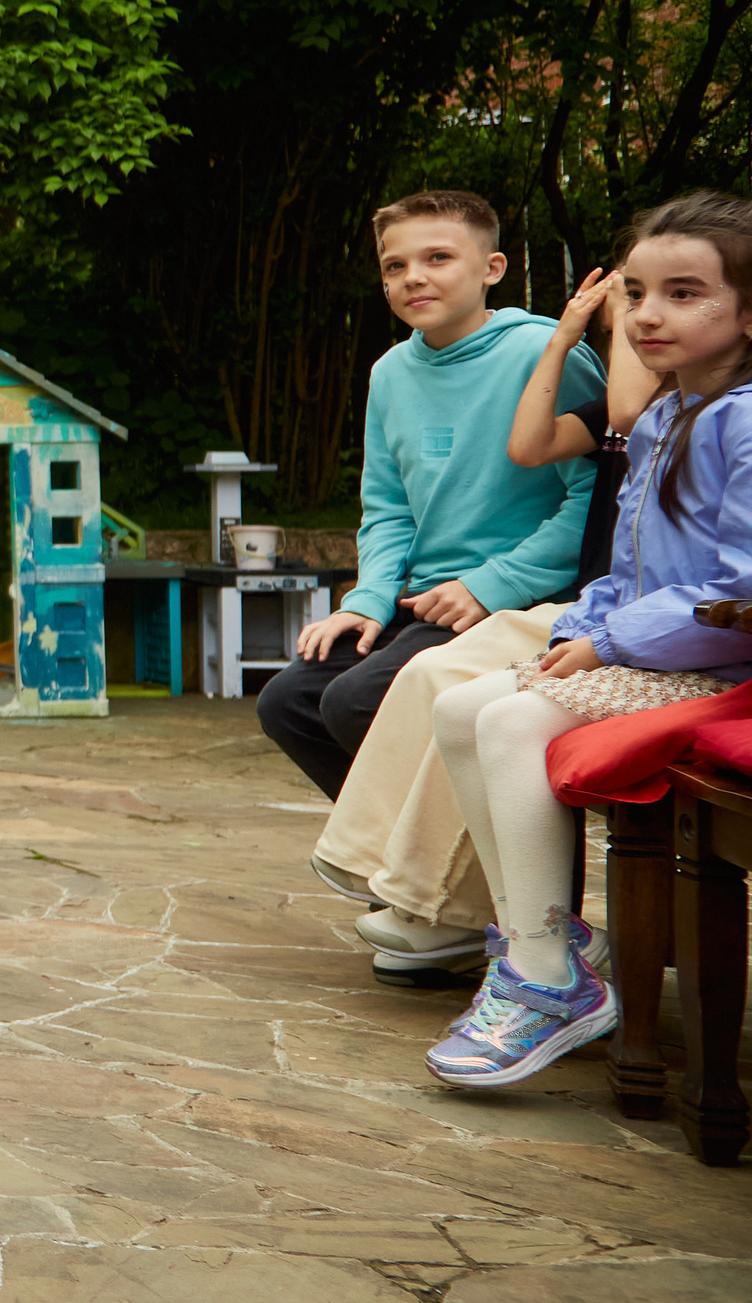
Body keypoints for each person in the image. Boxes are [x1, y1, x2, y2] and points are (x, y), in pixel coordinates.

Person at [423, 190, 752, 1086]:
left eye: (684, 294)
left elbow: (740, 588)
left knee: (512, 723)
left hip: (721, 669)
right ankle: (545, 940)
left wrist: (611, 645)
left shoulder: (746, 419)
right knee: (460, 708)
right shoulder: (665, 416)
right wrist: (585, 629)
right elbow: (625, 562)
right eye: (636, 293)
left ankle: (541, 980)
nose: (649, 314)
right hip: (661, 653)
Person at [315, 266, 656, 985]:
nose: (643, 319)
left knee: (450, 700)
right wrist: (563, 338)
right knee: (406, 687)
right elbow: (524, 448)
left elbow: (615, 434)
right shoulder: (629, 401)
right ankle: (434, 893)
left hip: (607, 613)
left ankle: (476, 912)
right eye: (632, 300)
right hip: (588, 605)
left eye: (669, 296)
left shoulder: (705, 411)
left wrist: (502, 590)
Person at [258, 191, 602, 802]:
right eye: (395, 265)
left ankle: (435, 877)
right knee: (290, 703)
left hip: (520, 600)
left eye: (438, 257)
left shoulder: (545, 353)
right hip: (423, 601)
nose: (413, 276)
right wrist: (367, 600)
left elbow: (597, 499)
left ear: (492, 269)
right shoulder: (389, 372)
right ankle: (397, 868)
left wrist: (490, 585)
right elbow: (389, 507)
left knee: (355, 702)